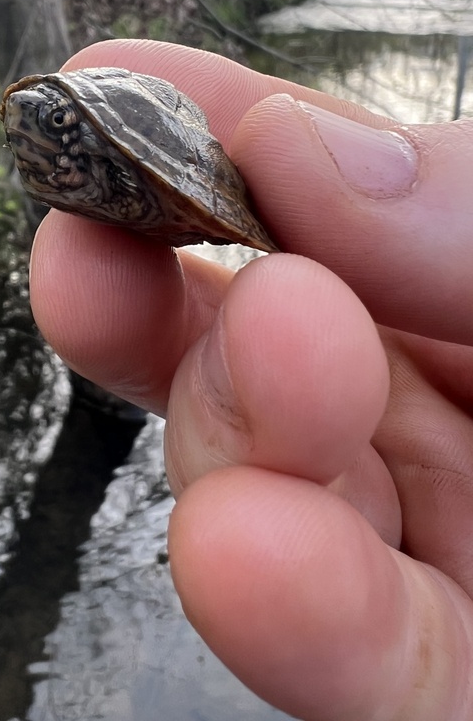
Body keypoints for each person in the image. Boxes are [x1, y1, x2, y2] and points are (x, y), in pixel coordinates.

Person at [28, 38, 473, 721]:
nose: (31, 122)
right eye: (27, 121)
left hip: (168, 170)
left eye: (57, 120)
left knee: (269, 334)